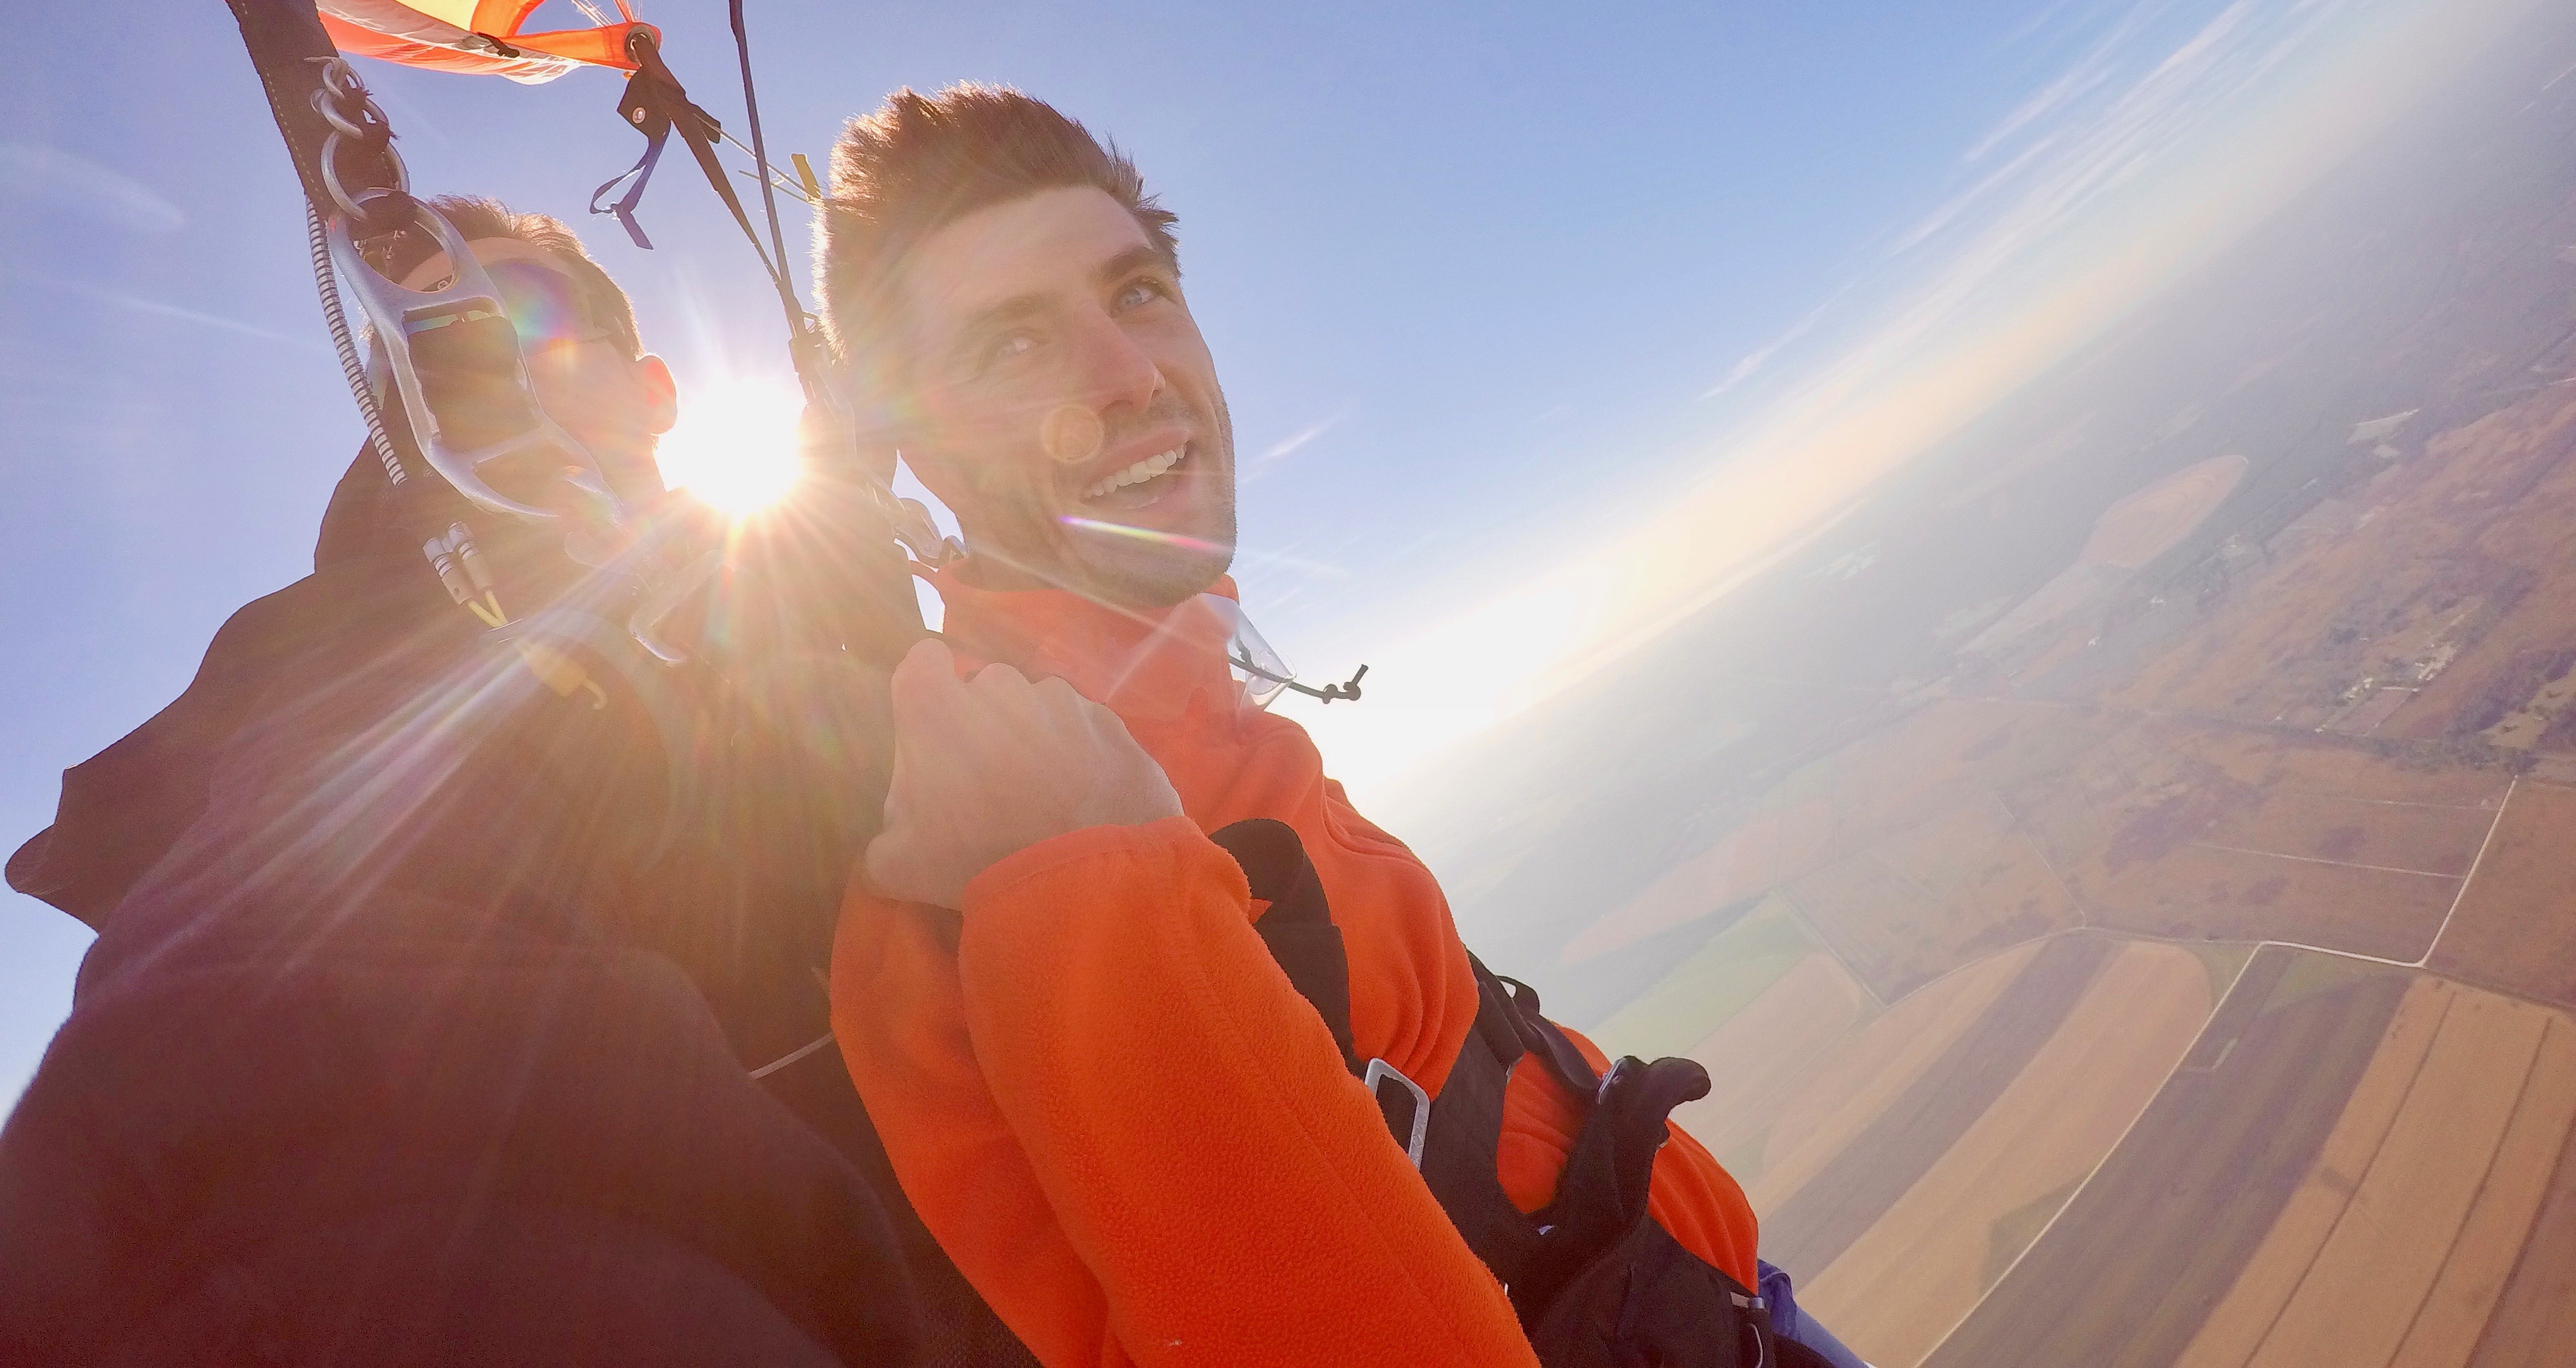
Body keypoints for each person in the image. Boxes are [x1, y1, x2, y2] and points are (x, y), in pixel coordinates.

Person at [814, 88, 1868, 1367]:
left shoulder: (1187, 691)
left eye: (1136, 293)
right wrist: (1092, 896)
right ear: (912, 449)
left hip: (1711, 1298)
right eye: (1013, 346)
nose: (1128, 377)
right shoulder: (980, 888)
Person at [1, 197, 918, 1367]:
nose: (474, 354)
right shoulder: (353, 652)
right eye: (422, 335)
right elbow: (326, 933)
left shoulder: (816, 586)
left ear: (654, 394)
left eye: (521, 317)